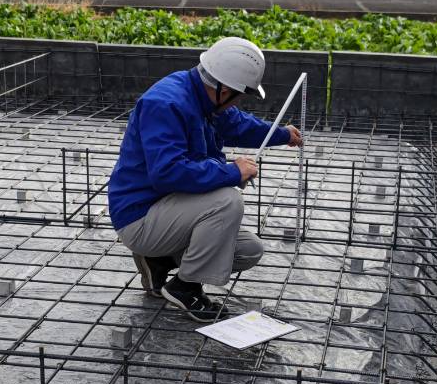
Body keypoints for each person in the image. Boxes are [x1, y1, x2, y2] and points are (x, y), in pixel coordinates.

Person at [107, 37, 303, 322]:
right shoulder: (165, 104)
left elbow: (237, 124)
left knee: (248, 251)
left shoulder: (204, 97)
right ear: (224, 89)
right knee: (227, 200)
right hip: (140, 218)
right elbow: (167, 172)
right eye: (239, 95)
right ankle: (185, 288)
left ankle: (158, 261)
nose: (239, 101)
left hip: (172, 211)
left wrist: (282, 135)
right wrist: (232, 172)